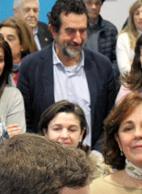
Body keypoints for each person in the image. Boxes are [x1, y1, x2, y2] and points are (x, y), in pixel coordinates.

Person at [17, 0, 119, 152]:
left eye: (83, 31)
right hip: (45, 163)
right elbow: (27, 123)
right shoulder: (31, 67)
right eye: (70, 31)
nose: (77, 39)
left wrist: (97, 157)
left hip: (93, 163)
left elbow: (111, 120)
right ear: (53, 31)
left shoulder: (102, 66)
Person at [40, 100, 109, 178]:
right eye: (57, 129)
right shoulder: (32, 167)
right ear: (46, 132)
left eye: (72, 130)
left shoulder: (98, 169)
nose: (64, 136)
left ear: (81, 134)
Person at [116, 0, 142, 77]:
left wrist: (135, 66)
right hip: (131, 84)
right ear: (132, 17)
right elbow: (124, 69)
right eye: (137, 13)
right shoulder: (123, 38)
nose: (141, 17)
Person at [0, 17, 37, 85]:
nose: (3, 42)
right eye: (0, 38)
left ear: (23, 44)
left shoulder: (34, 70)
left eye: (10, 39)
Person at [84, 0, 118, 69]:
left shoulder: (110, 29)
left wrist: (108, 76)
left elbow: (116, 60)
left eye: (97, 3)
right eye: (89, 3)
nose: (94, 7)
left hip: (104, 76)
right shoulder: (75, 29)